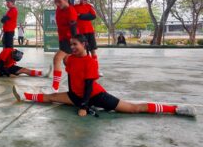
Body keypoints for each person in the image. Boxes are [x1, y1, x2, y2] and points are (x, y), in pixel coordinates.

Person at [13, 34, 196, 118]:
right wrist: (72, 97)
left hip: (95, 95)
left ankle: (176, 109)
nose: (73, 47)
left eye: (76, 44)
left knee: (133, 109)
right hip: (76, 95)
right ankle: (24, 96)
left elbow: (88, 86)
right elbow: (69, 79)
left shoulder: (91, 62)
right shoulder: (70, 59)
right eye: (71, 44)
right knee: (52, 97)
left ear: (84, 44)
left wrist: (83, 106)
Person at [51, 0, 78, 92]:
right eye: (55, 1)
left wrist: (74, 44)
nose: (57, 4)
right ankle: (79, 82)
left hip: (70, 40)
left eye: (59, 1)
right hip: (62, 39)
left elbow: (74, 31)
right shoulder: (59, 9)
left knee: (57, 59)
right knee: (67, 62)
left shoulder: (71, 11)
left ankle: (55, 87)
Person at [74, 0, 99, 71]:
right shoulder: (75, 7)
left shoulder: (89, 6)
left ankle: (95, 69)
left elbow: (93, 16)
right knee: (82, 52)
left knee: (93, 50)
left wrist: (81, 16)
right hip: (80, 33)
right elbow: (74, 17)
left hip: (89, 31)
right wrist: (82, 16)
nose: (83, 1)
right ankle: (83, 68)